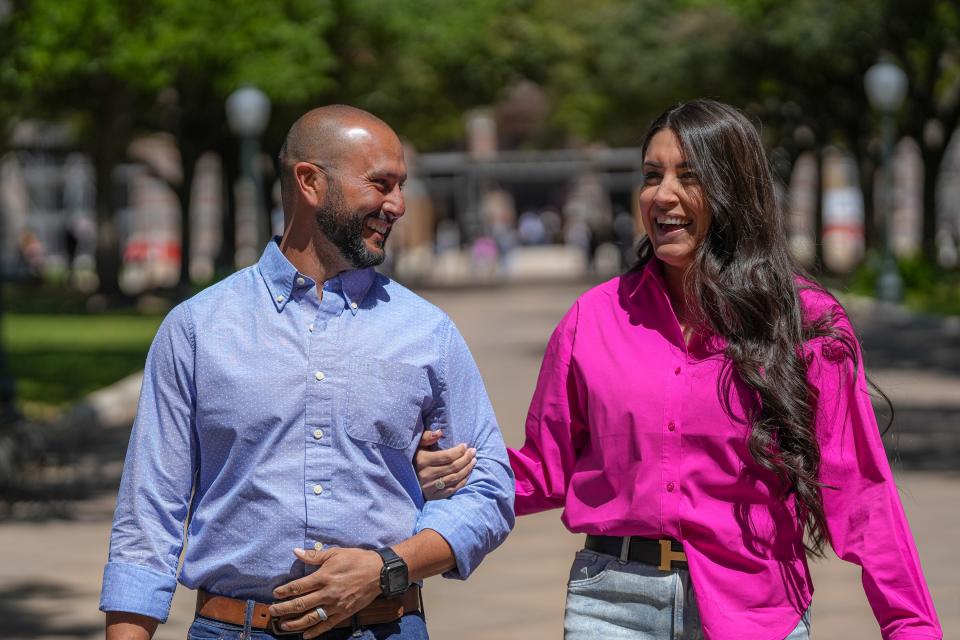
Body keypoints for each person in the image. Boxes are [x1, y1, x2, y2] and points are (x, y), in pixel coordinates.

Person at [415, 99, 942, 639]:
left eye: (688, 177)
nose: (661, 194)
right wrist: (453, 473)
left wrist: (910, 626)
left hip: (755, 609)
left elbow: (860, 492)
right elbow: (546, 470)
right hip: (611, 604)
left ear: (734, 191)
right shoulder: (592, 319)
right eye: (651, 175)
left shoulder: (805, 322)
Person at [99, 105, 515, 640]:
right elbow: (148, 515)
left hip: (385, 627)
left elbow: (491, 489)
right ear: (310, 182)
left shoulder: (427, 332)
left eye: (401, 186)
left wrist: (389, 566)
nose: (398, 205)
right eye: (381, 184)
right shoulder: (198, 329)